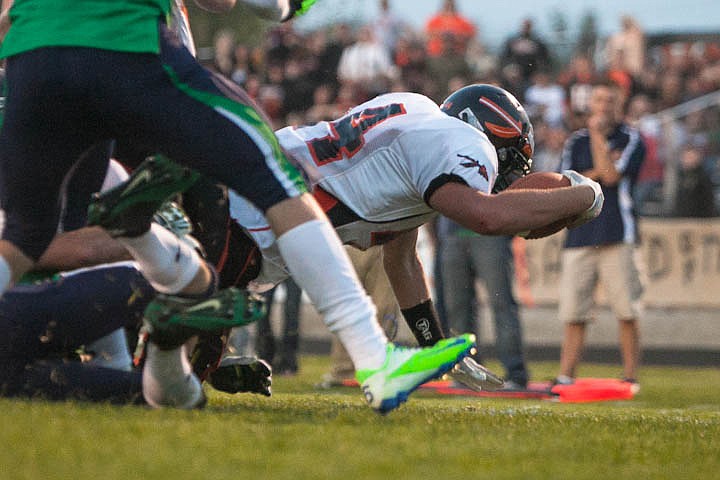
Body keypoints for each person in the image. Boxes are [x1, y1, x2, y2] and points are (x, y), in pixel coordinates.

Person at [0, 0, 475, 415]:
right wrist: (288, 5)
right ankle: (374, 358)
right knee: (281, 183)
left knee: (28, 232)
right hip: (123, 44)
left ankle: (148, 286)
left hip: (30, 55)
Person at [224, 83, 604, 390]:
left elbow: (401, 259)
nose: (503, 176)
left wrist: (434, 347)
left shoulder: (416, 113)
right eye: (509, 161)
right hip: (259, 216)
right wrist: (584, 193)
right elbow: (486, 217)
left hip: (249, 179)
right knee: (184, 324)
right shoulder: (466, 142)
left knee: (195, 316)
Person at [555, 80, 645, 387]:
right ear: (591, 104)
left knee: (626, 310)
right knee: (573, 311)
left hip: (617, 233)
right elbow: (565, 185)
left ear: (619, 105)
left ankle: (630, 377)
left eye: (610, 101)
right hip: (580, 234)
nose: (604, 106)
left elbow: (610, 176)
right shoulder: (574, 142)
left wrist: (595, 138)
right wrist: (594, 173)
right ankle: (566, 375)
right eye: (599, 100)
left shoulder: (631, 138)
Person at [436, 216, 530, 389]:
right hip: (452, 233)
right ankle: (466, 372)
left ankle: (515, 374)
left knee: (501, 304)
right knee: (457, 309)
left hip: (490, 231)